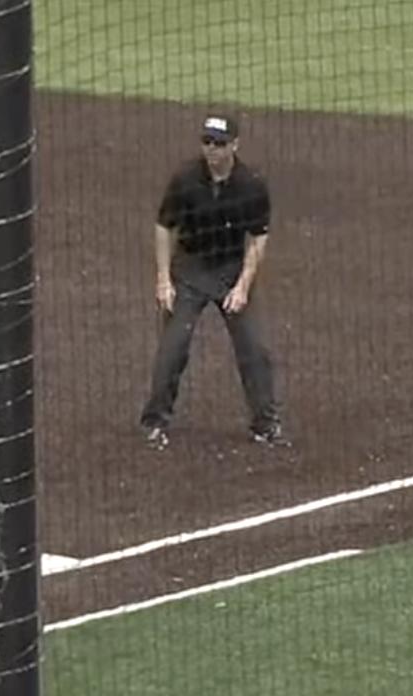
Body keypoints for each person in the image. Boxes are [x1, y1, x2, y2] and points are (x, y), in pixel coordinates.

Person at [139, 114, 287, 449]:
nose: (212, 150)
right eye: (207, 142)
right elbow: (164, 227)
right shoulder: (186, 179)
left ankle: (266, 424)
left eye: (219, 144)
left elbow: (257, 238)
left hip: (231, 269)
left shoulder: (251, 185)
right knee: (173, 348)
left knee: (254, 349)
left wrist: (243, 287)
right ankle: (154, 421)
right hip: (190, 269)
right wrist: (163, 279)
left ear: (235, 145)